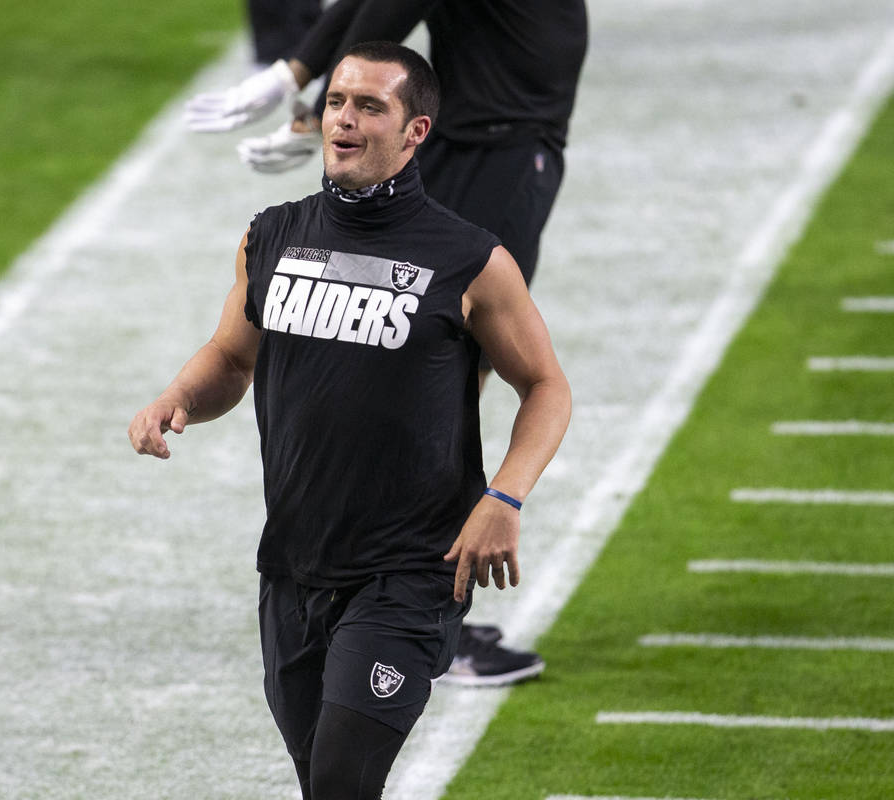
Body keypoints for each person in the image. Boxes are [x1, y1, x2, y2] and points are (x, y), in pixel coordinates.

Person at [132, 42, 570, 799]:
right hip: (293, 566)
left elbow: (546, 386)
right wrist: (177, 397)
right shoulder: (270, 236)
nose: (345, 118)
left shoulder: (469, 260)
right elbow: (232, 359)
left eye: (371, 106)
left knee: (338, 782)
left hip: (410, 572)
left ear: (416, 131)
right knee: (326, 785)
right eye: (337, 101)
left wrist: (504, 497)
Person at [184, 0, 588, 685]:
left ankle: (400, 598)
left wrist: (303, 84)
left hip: (479, 136)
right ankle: (425, 612)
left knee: (440, 354)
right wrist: (301, 79)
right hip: (495, 145)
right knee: (451, 359)